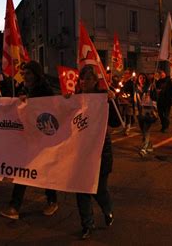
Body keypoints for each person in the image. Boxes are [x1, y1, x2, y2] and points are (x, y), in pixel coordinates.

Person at [0, 61, 58, 220]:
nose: (25, 76)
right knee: (23, 170)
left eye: (29, 73)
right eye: (23, 73)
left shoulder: (45, 91)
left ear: (37, 74)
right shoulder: (23, 89)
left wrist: (30, 102)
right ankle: (14, 207)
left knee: (44, 169)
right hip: (26, 137)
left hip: (42, 138)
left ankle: (52, 200)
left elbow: (52, 111)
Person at [75, 65, 114, 239]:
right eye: (82, 78)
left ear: (96, 81)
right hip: (80, 150)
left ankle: (107, 209)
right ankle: (87, 224)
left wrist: (112, 102)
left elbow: (116, 122)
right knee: (81, 187)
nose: (84, 81)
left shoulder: (103, 98)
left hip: (101, 149)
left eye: (88, 78)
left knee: (99, 189)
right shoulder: (74, 99)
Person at [135, 73, 158, 157]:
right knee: (143, 131)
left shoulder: (150, 87)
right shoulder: (136, 88)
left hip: (148, 112)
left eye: (144, 78)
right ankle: (149, 145)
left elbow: (155, 98)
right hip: (139, 112)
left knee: (146, 130)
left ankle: (143, 148)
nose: (142, 79)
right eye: (140, 78)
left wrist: (152, 92)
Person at [118, 69, 134, 135]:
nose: (125, 74)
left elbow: (133, 92)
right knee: (122, 114)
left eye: (126, 73)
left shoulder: (131, 82)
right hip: (121, 100)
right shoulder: (122, 82)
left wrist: (129, 100)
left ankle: (128, 128)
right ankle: (123, 127)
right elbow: (119, 89)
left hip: (128, 101)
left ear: (129, 75)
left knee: (128, 115)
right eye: (124, 73)